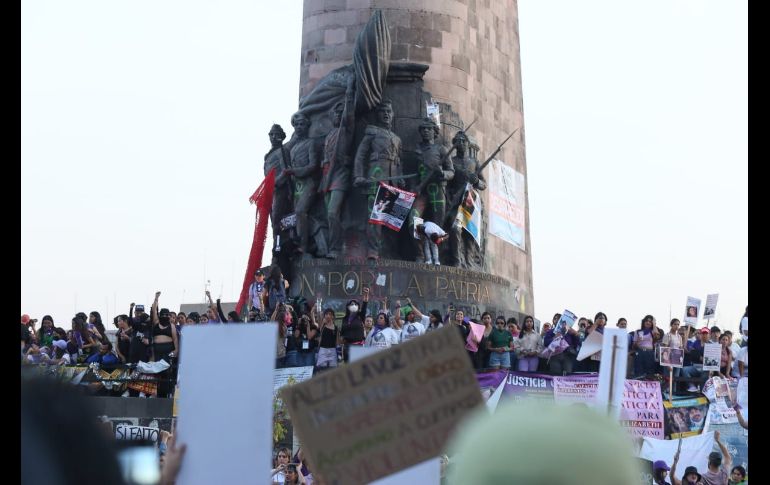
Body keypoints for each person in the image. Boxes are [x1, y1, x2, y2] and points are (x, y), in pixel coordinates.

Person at [353, 99, 403, 260]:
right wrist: (358, 175)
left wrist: (400, 178)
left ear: (393, 114)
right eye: (383, 112)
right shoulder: (372, 132)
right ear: (378, 115)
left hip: (393, 180)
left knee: (390, 219)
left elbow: (399, 160)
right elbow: (360, 155)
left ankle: (388, 249)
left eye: (389, 112)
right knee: (375, 217)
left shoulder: (397, 138)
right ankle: (373, 250)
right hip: (376, 177)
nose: (386, 115)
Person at [319, 76, 356, 259]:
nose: (339, 115)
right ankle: (329, 246)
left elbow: (349, 114)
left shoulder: (345, 129)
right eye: (336, 113)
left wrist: (349, 91)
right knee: (328, 215)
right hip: (327, 175)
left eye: (341, 113)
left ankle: (336, 248)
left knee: (333, 212)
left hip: (340, 175)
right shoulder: (330, 135)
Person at [339, 287, 369, 362]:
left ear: (358, 307)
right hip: (347, 347)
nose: (354, 305)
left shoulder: (360, 316)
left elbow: (365, 305)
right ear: (348, 307)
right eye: (352, 304)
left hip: (358, 346)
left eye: (356, 304)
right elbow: (342, 333)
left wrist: (366, 295)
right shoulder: (344, 319)